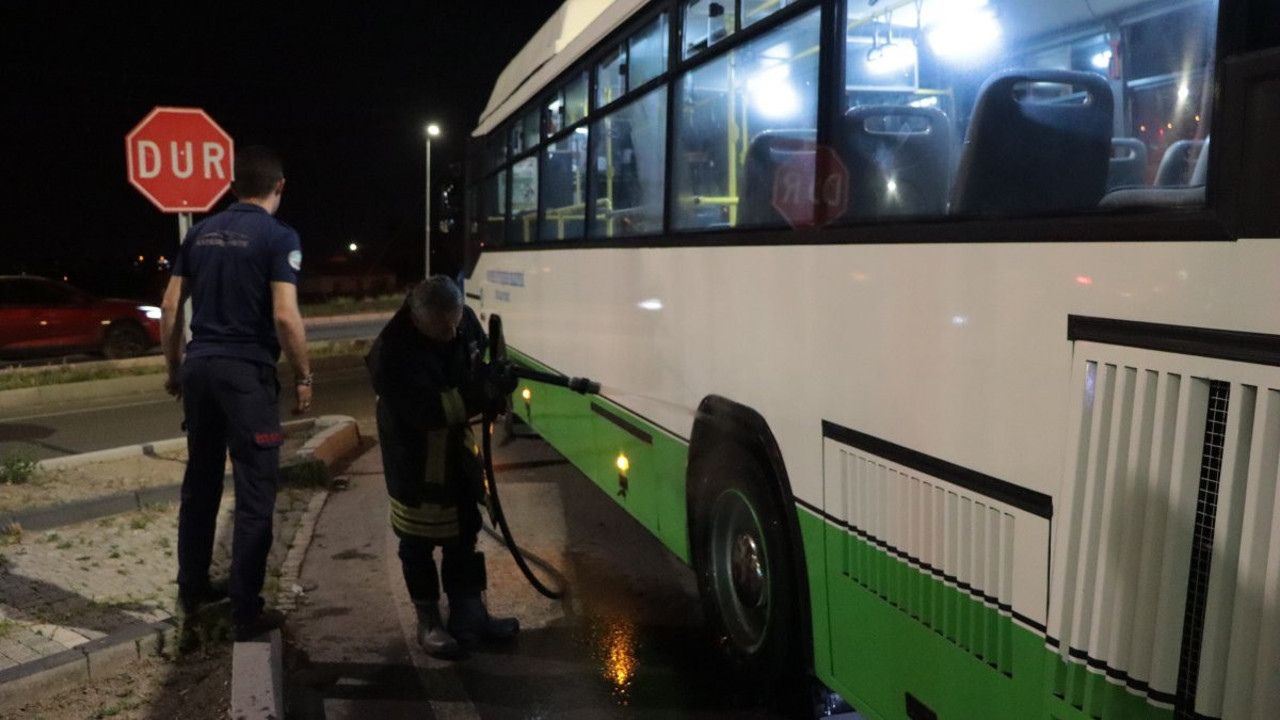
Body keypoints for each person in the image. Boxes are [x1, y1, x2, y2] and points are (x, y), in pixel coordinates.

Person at [159, 146, 312, 642]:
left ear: (231, 186)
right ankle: (245, 610)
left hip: (200, 369)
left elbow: (170, 307)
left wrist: (175, 369)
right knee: (255, 492)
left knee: (200, 485)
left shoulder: (200, 233)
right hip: (245, 375)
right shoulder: (279, 237)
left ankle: (192, 589)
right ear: (279, 185)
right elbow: (285, 315)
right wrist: (304, 375)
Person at [366, 275, 518, 659]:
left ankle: (470, 614)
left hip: (455, 450)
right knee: (416, 540)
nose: (452, 334)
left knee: (464, 529)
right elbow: (430, 411)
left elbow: (477, 361)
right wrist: (480, 394)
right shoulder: (391, 351)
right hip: (413, 456)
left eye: (456, 323)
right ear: (417, 317)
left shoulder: (461, 322)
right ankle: (429, 621)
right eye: (441, 328)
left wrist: (495, 383)